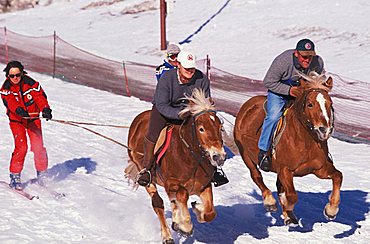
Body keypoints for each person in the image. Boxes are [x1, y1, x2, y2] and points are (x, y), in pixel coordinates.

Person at [137, 50, 229, 187]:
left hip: (191, 111)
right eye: (186, 68)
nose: (190, 72)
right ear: (178, 65)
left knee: (204, 134)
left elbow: (205, 102)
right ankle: (147, 169)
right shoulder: (167, 78)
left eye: (192, 68)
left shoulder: (202, 79)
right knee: (153, 134)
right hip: (165, 109)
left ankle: (214, 170)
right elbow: (162, 105)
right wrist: (178, 114)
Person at [258, 38, 325, 172]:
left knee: (316, 115)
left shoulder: (318, 62)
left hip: (302, 93)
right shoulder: (282, 62)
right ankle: (264, 151)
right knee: (274, 116)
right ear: (296, 54)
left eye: (310, 57)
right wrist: (289, 90)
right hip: (279, 92)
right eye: (304, 57)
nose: (307, 60)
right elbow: (268, 82)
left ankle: (322, 152)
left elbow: (317, 82)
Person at [0, 61, 53, 190]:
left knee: (38, 146)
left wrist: (45, 109)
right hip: (17, 121)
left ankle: (42, 174)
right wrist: (18, 110)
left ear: (22, 73)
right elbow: (10, 102)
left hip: (33, 119)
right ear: (8, 76)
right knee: (21, 146)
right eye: (12, 76)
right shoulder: (6, 88)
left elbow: (40, 97)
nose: (15, 78)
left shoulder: (31, 84)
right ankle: (15, 176)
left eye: (18, 75)